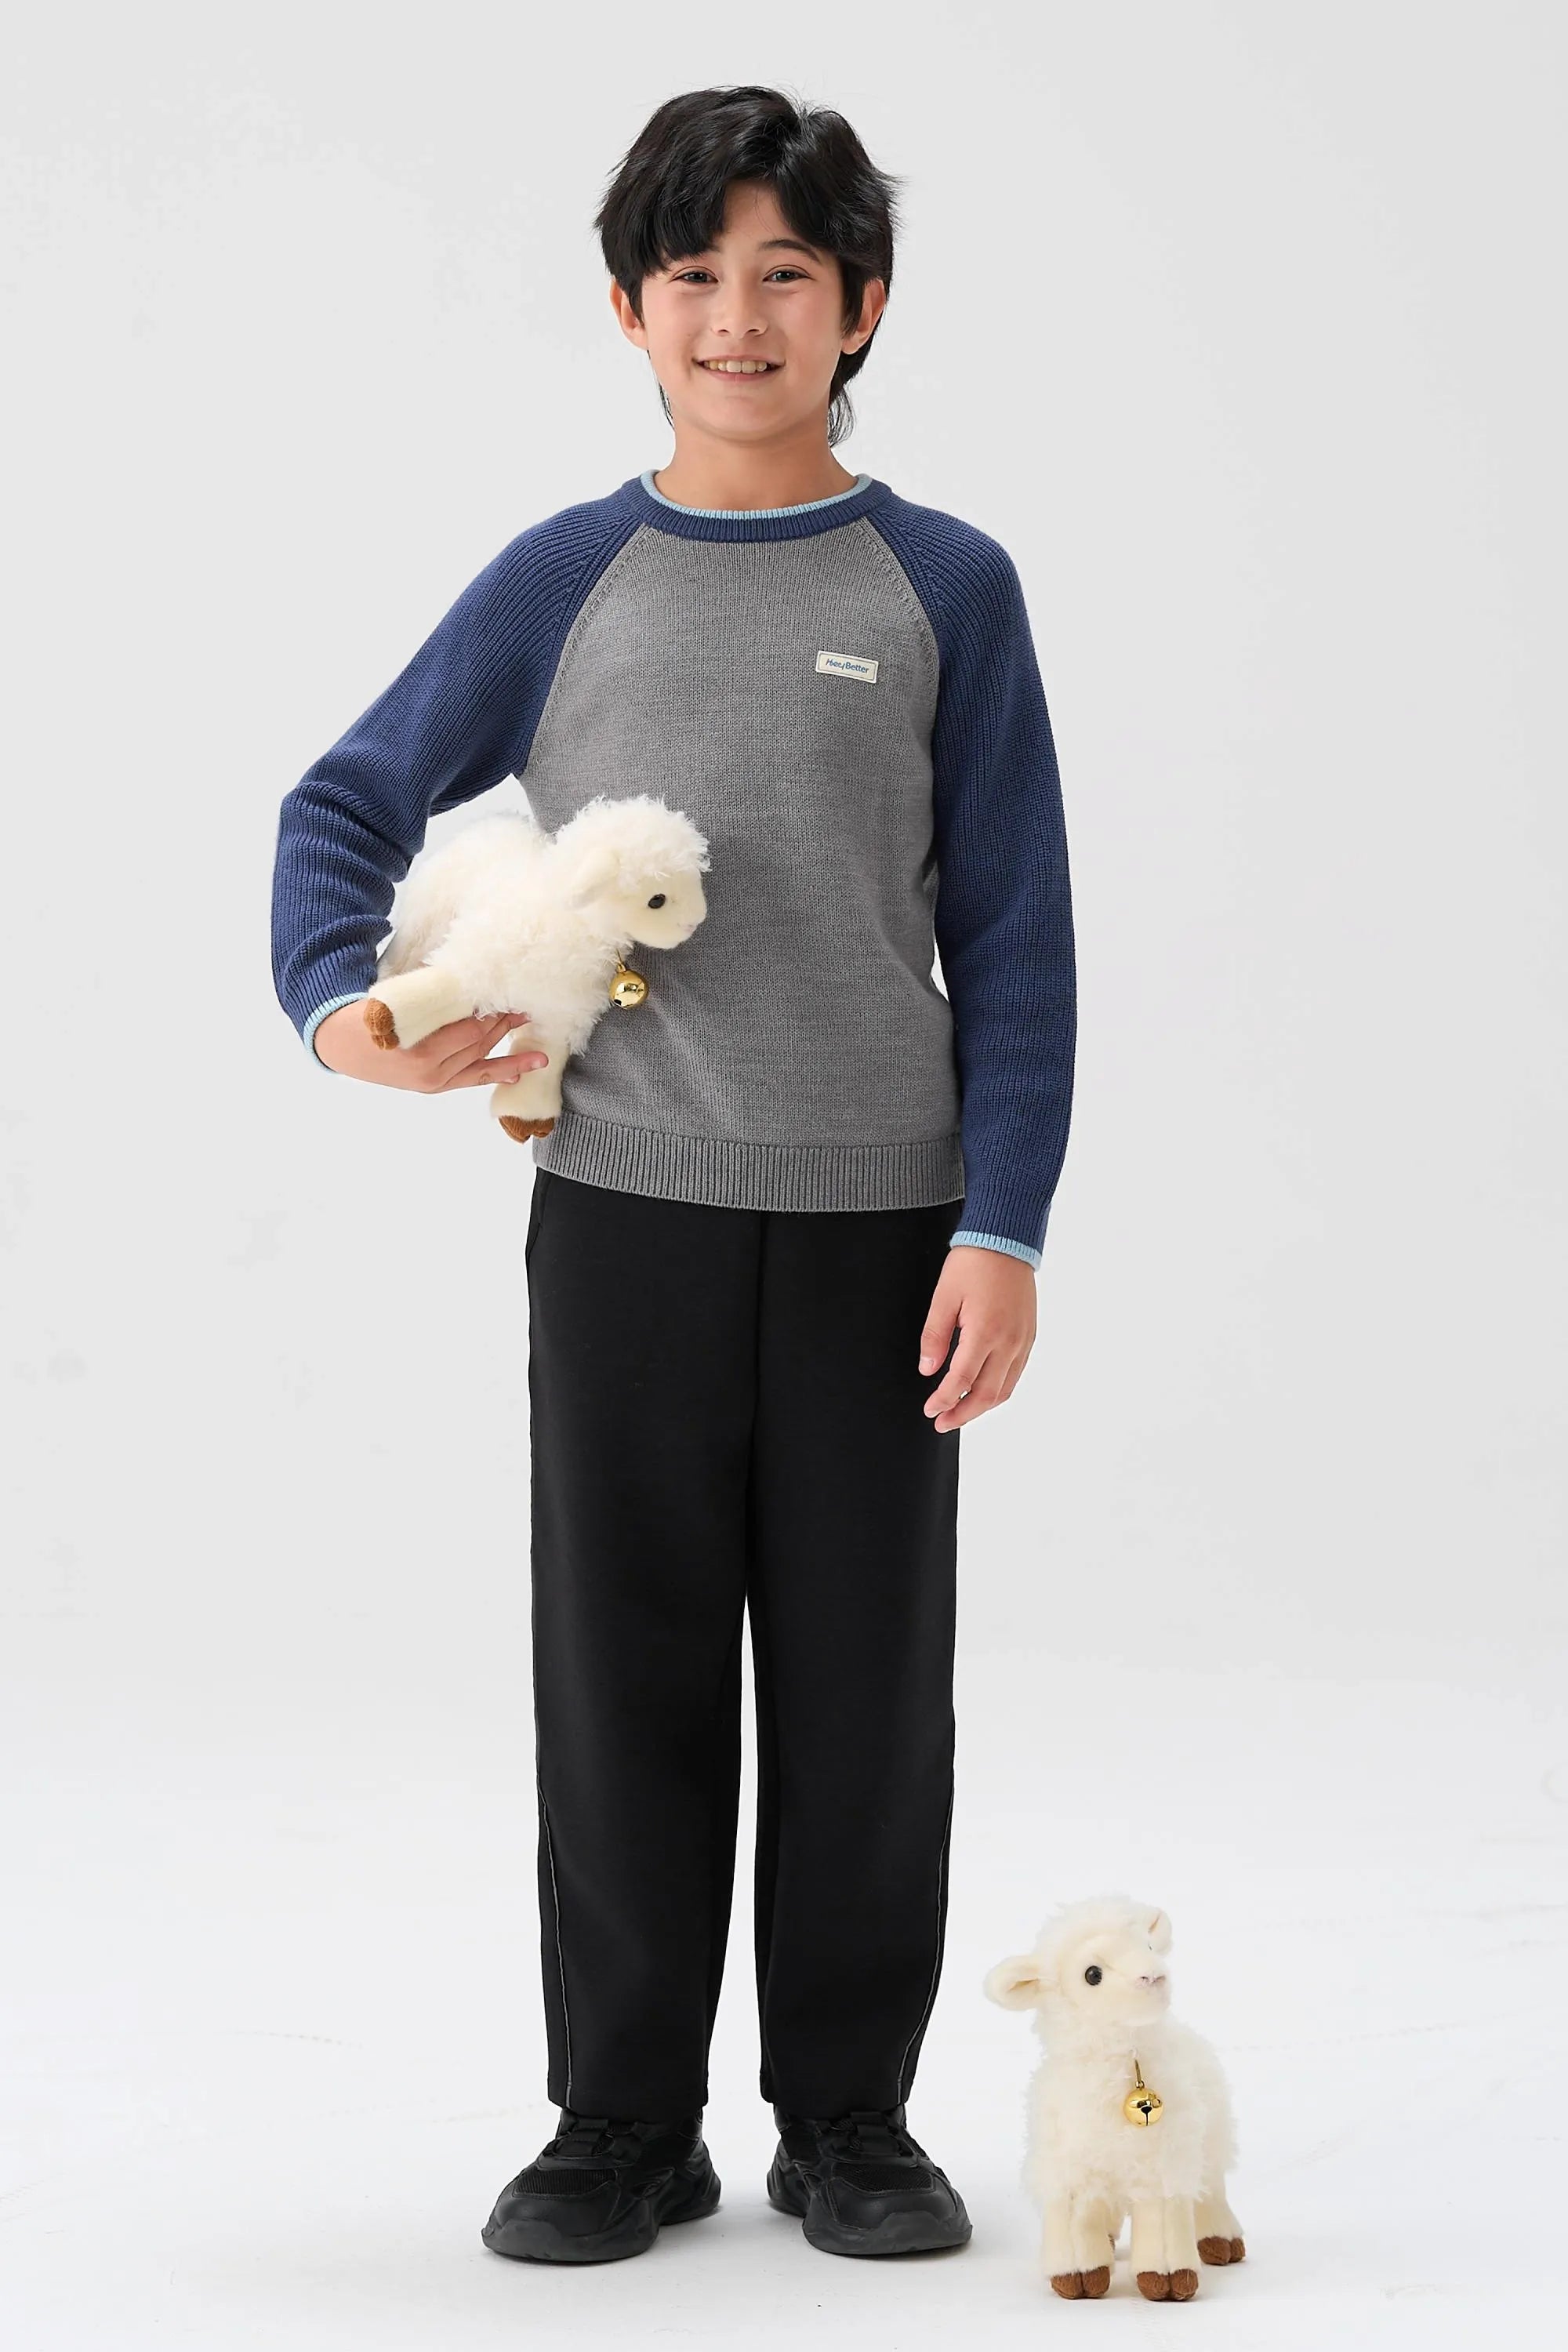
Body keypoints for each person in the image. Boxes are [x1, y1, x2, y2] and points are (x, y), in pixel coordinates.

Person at [270, 83, 1076, 2268]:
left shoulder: (947, 585)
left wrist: (1003, 1224)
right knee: (622, 1674)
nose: (740, 316)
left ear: (862, 306)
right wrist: (345, 1010)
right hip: (626, 1215)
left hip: (885, 1233)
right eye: (695, 274)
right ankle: (620, 2121)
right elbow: (342, 804)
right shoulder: (567, 577)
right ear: (630, 310)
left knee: (866, 1686)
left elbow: (1016, 931)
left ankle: (850, 2118)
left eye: (786, 273)